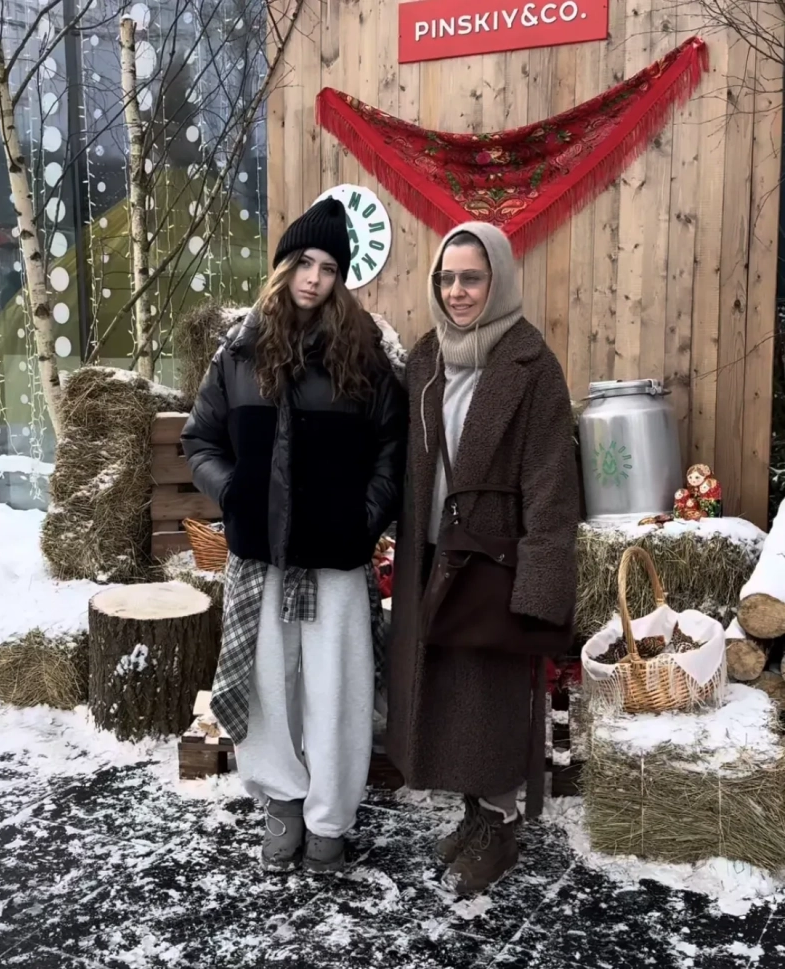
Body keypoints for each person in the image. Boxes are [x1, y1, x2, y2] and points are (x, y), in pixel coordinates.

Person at [182, 198, 408, 874]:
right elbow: (200, 439)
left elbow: (392, 451)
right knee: (270, 688)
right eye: (304, 262)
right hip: (262, 557)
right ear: (283, 266)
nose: (314, 278)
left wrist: (363, 519)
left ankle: (329, 820)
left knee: (338, 693)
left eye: (329, 267)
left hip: (336, 558)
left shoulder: (364, 354)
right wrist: (235, 494)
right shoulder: (240, 350)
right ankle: (282, 802)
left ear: (341, 278)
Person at [387, 222, 578, 896]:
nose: (458, 291)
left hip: (496, 557)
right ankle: (474, 811)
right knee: (447, 691)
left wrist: (540, 584)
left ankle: (500, 826)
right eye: (447, 279)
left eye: (472, 278)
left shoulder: (532, 366)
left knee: (490, 693)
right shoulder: (425, 359)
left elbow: (552, 484)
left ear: (497, 280)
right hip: (433, 551)